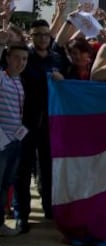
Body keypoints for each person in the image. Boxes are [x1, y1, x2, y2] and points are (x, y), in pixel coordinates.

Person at [14, 19, 69, 233]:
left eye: (46, 34)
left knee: (48, 168)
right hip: (25, 122)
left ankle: (49, 208)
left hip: (51, 122)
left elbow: (69, 84)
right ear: (31, 36)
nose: (43, 38)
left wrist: (62, 78)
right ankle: (22, 215)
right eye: (38, 35)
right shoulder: (24, 58)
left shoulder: (57, 59)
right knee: (23, 170)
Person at [0, 43, 28, 239]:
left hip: (14, 142)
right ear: (7, 58)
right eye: (17, 58)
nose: (21, 63)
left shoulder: (18, 81)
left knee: (4, 186)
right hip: (1, 143)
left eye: (25, 59)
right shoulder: (2, 78)